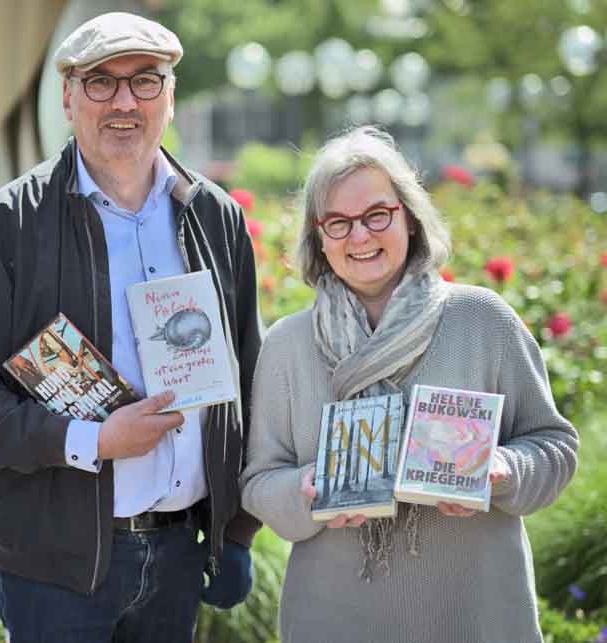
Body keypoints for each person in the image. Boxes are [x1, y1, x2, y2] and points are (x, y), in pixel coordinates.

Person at [0, 11, 262, 642]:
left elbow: (248, 376)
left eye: (146, 81)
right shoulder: (4, 226)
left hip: (182, 553)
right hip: (53, 569)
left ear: (171, 95)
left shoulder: (217, 218)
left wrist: (236, 530)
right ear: (69, 96)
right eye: (101, 82)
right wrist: (90, 441)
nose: (124, 101)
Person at [239, 126, 579, 643]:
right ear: (318, 235)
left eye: (377, 215)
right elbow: (259, 481)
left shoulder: (482, 320)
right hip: (334, 619)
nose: (360, 236)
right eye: (338, 222)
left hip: (475, 614)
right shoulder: (289, 345)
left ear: (410, 218)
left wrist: (503, 469)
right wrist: (305, 490)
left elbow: (555, 447)